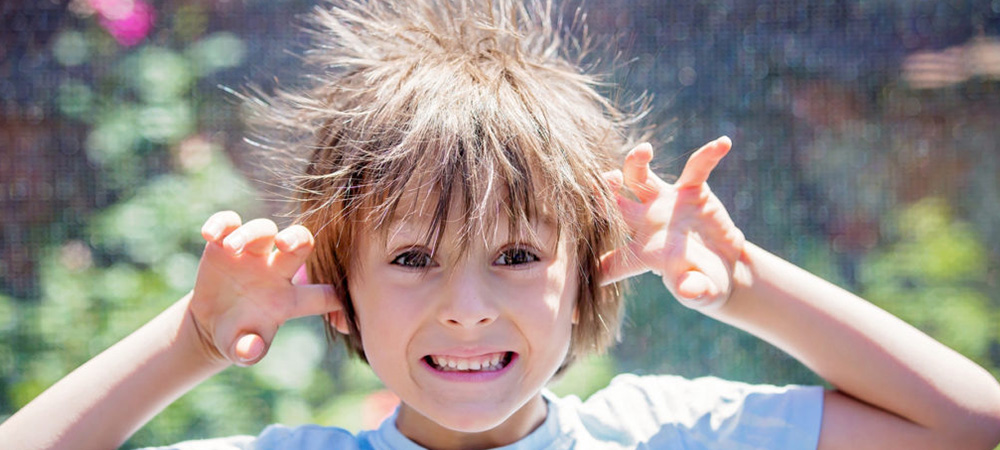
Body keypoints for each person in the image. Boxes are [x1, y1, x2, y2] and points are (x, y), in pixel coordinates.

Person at [3, 1, 1000, 449]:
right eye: (409, 258)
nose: (467, 308)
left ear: (585, 276)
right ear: (338, 296)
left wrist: (748, 286)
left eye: (517, 255)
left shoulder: (664, 436)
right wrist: (193, 340)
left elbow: (972, 427)